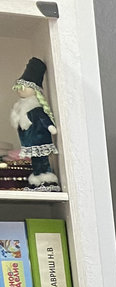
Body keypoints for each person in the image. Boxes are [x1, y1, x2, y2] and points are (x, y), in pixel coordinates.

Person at [10, 57, 58, 190]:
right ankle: (37, 177)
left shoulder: (35, 108)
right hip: (29, 142)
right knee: (35, 161)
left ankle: (46, 177)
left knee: (42, 160)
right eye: (19, 87)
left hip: (39, 140)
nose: (20, 90)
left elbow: (43, 119)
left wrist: (50, 127)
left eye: (23, 87)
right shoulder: (20, 107)